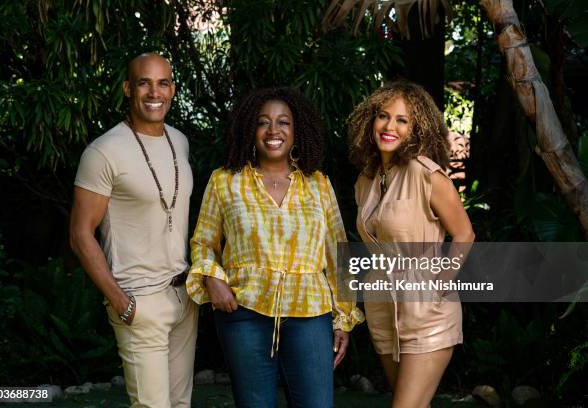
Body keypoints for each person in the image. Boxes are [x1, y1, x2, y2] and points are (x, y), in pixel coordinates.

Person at [186, 87, 364, 407]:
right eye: (263, 122)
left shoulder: (318, 184)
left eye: (283, 122)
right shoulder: (225, 180)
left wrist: (343, 318)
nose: (273, 131)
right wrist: (213, 278)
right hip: (244, 311)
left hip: (309, 312)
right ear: (249, 130)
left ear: (297, 132)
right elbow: (203, 241)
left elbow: (338, 253)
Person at [69, 53, 197, 408]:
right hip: (139, 301)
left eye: (163, 83)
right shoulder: (104, 152)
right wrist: (121, 302)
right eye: (144, 82)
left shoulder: (179, 141)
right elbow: (80, 234)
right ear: (128, 88)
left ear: (172, 89)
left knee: (180, 405)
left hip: (183, 298)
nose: (154, 92)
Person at [348, 81, 475, 408]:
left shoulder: (427, 174)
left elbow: (464, 234)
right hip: (380, 305)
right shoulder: (365, 180)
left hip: (426, 311)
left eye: (402, 120)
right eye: (383, 116)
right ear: (370, 121)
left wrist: (441, 282)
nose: (390, 126)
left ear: (417, 128)